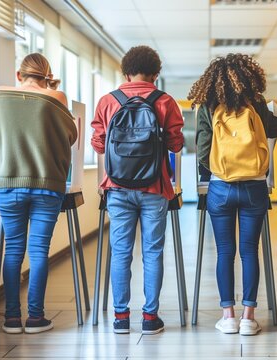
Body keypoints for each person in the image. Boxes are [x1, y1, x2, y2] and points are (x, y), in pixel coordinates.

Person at [0, 53, 77, 334]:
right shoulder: (57, 97)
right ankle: (36, 318)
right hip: (47, 185)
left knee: (13, 251)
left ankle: (11, 318)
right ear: (47, 75)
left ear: (19, 75)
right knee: (39, 251)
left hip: (7, 183)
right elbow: (71, 136)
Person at [91, 45, 184, 335]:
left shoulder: (108, 101)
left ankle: (120, 317)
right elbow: (176, 144)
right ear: (156, 74)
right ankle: (149, 317)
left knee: (121, 252)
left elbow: (97, 143)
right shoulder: (165, 101)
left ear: (125, 71)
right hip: (154, 187)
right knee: (153, 252)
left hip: (117, 188)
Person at [190, 54, 277, 336]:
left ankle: (228, 316)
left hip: (220, 187)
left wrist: (220, 168)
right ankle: (248, 318)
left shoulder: (208, 106)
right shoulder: (255, 103)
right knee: (249, 251)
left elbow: (203, 151)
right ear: (249, 78)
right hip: (254, 185)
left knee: (224, 252)